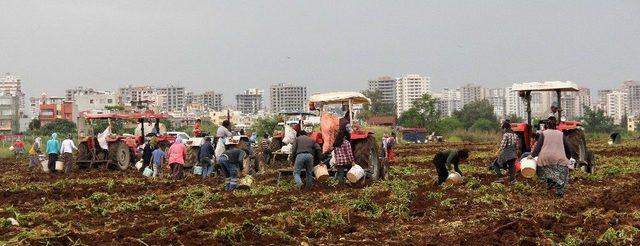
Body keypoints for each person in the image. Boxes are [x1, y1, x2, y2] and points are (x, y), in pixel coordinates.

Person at [530, 117, 572, 197]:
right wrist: (568, 157)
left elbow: (538, 147)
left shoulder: (544, 133)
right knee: (562, 173)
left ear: (546, 125)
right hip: (559, 160)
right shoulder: (561, 134)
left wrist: (532, 156)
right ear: (555, 125)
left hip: (544, 159)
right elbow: (568, 148)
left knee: (546, 171)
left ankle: (550, 183)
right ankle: (559, 192)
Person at [333, 111, 355, 184]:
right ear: (349, 116)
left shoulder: (339, 120)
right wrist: (352, 162)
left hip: (338, 162)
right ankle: (349, 181)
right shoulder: (347, 123)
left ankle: (339, 184)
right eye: (352, 116)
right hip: (345, 161)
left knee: (340, 173)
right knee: (350, 169)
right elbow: (351, 133)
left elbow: (335, 153)